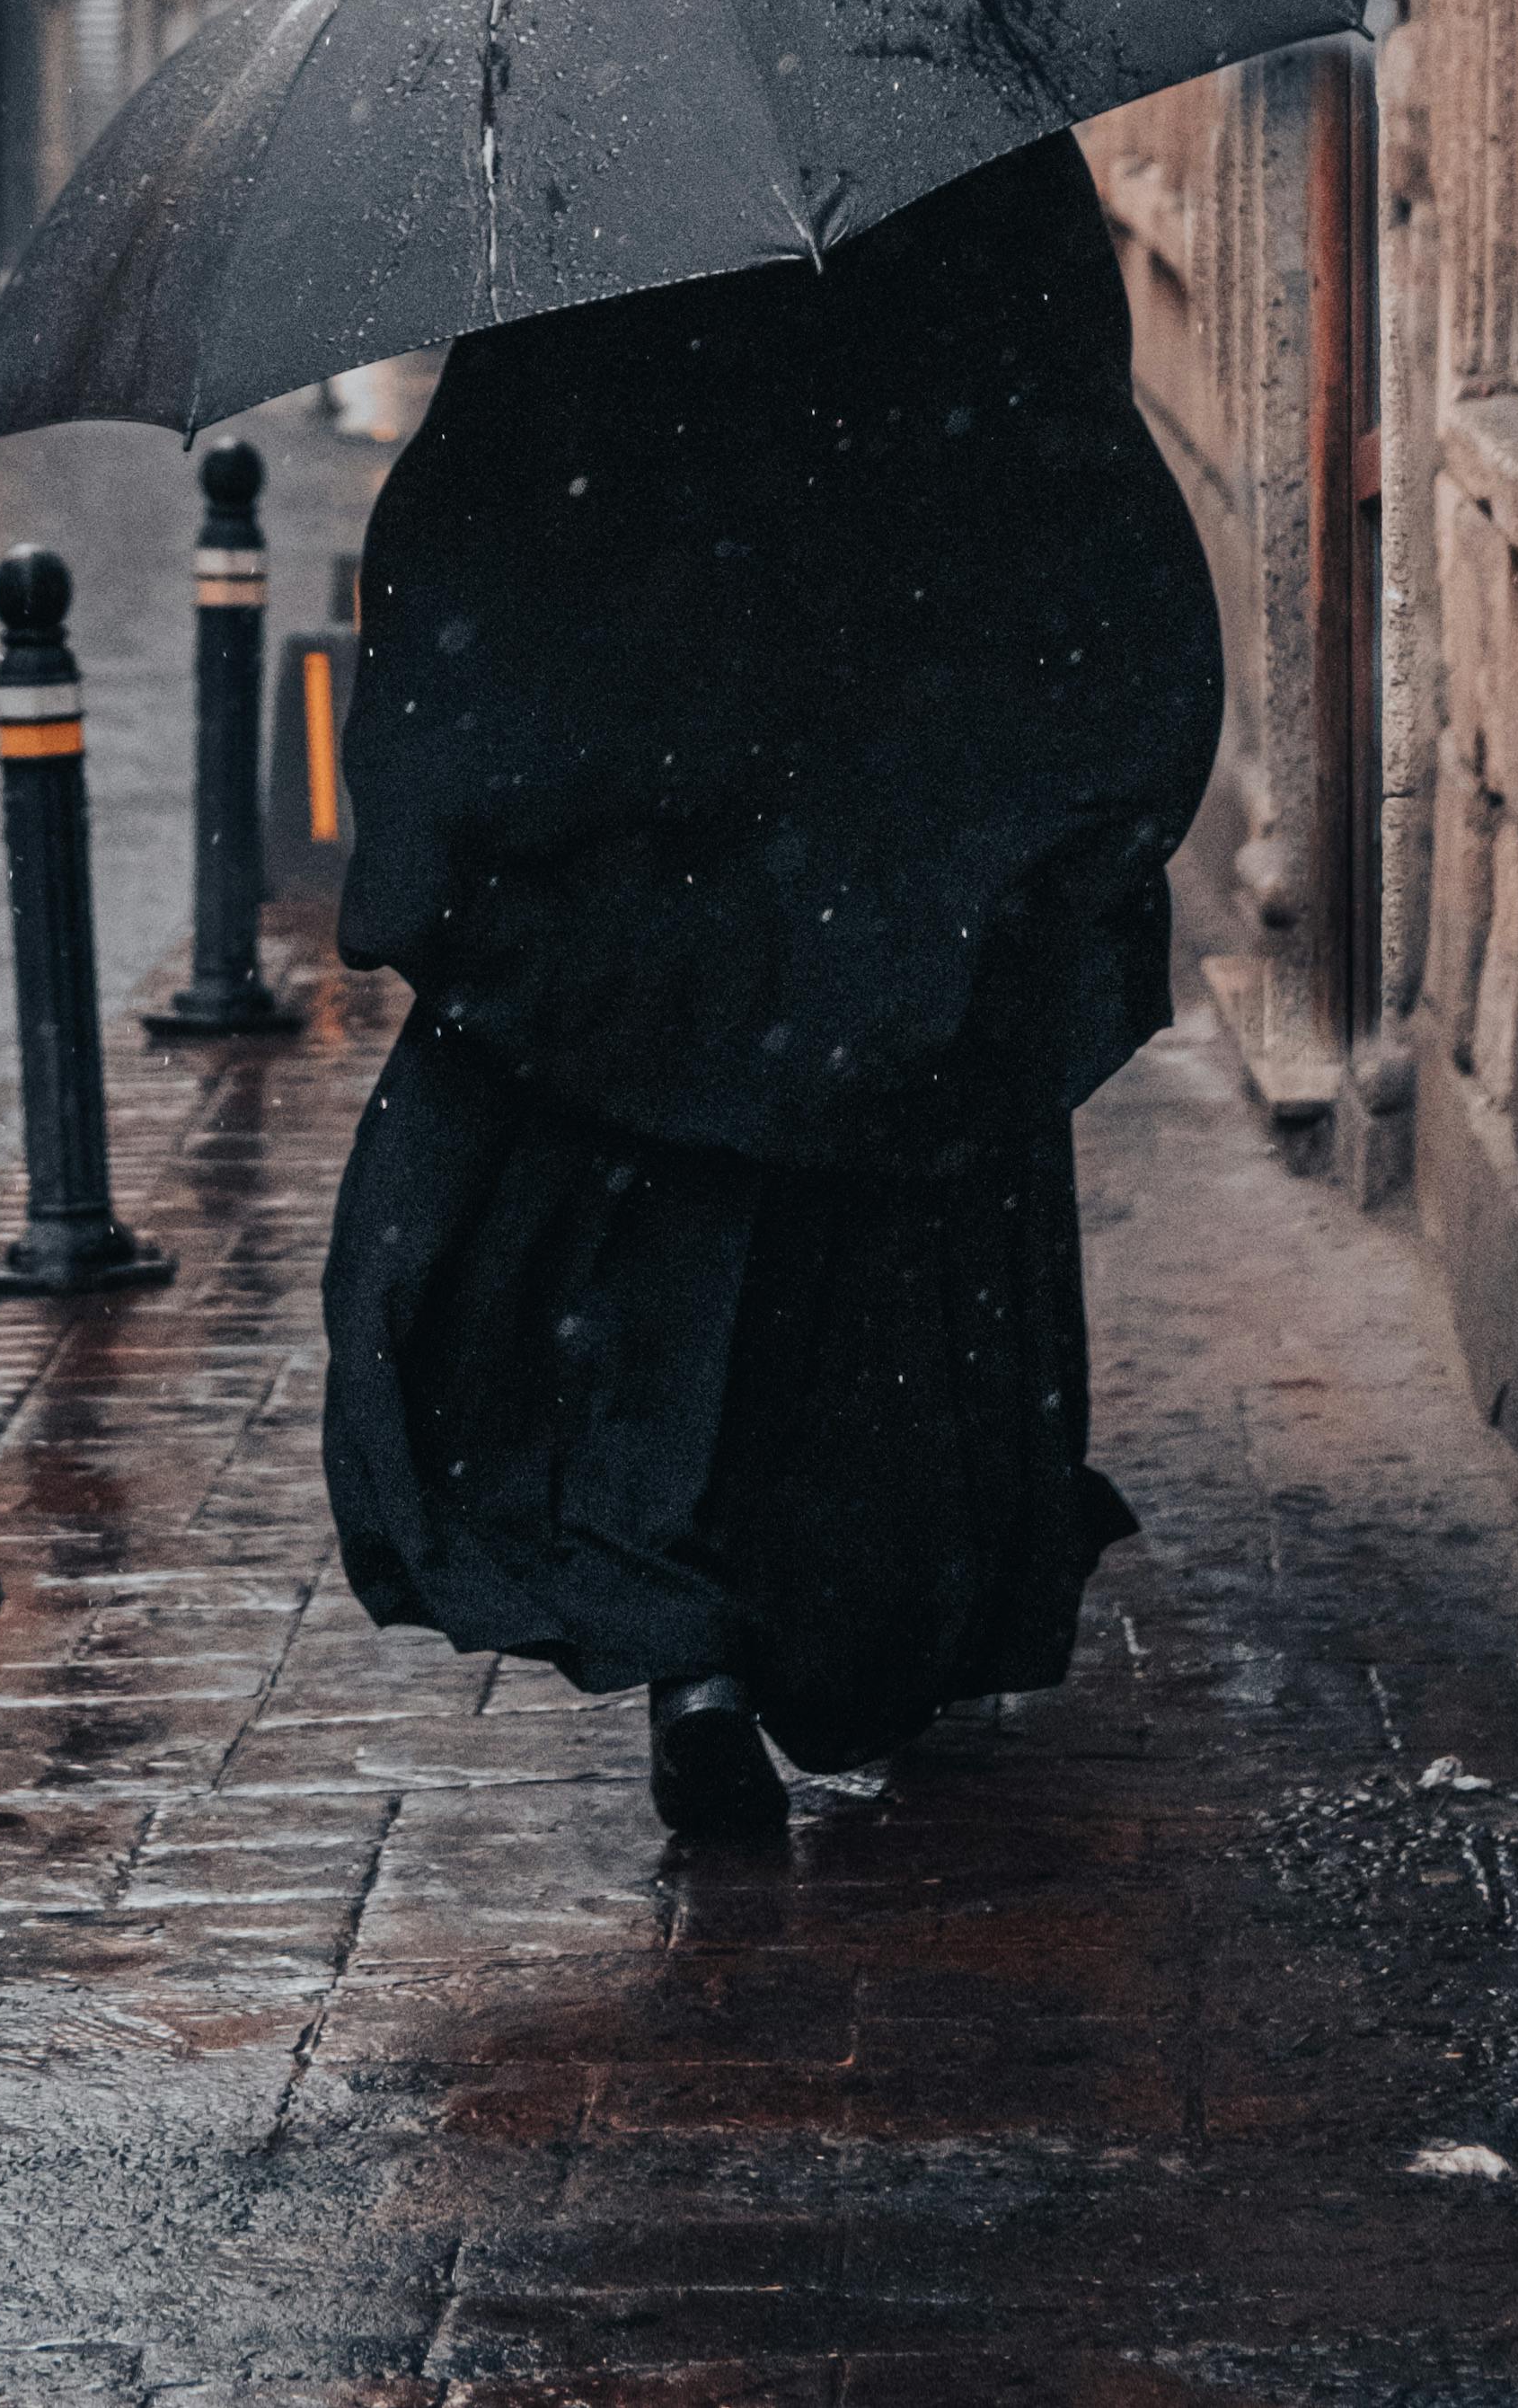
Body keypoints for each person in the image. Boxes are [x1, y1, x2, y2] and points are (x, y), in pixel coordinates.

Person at [321, 129, 1221, 1843]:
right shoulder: (968, 143)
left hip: (673, 824)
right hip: (900, 812)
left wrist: (494, 794)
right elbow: (1066, 460)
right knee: (870, 1279)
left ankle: (697, 1652)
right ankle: (846, 1604)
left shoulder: (602, 173)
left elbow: (498, 497)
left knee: (673, 1261)